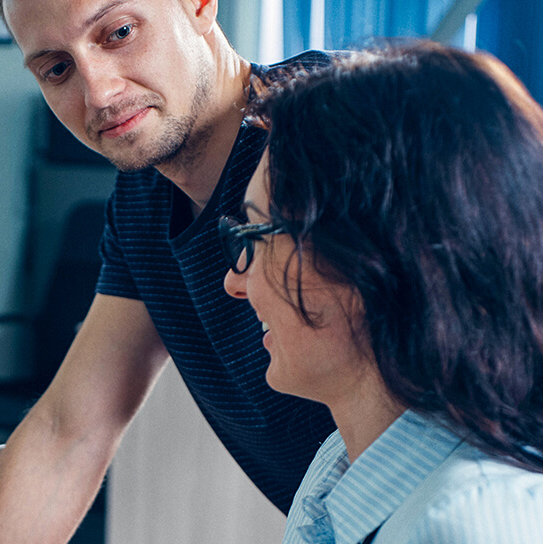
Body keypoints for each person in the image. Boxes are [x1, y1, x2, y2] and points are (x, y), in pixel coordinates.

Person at [0, 0, 339, 541]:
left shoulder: (345, 127)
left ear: (199, 6)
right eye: (57, 68)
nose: (99, 94)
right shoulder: (142, 200)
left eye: (118, 32)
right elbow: (69, 432)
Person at [223, 41, 543, 542]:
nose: (233, 282)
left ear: (374, 258)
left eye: (258, 235)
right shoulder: (339, 465)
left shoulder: (471, 522)